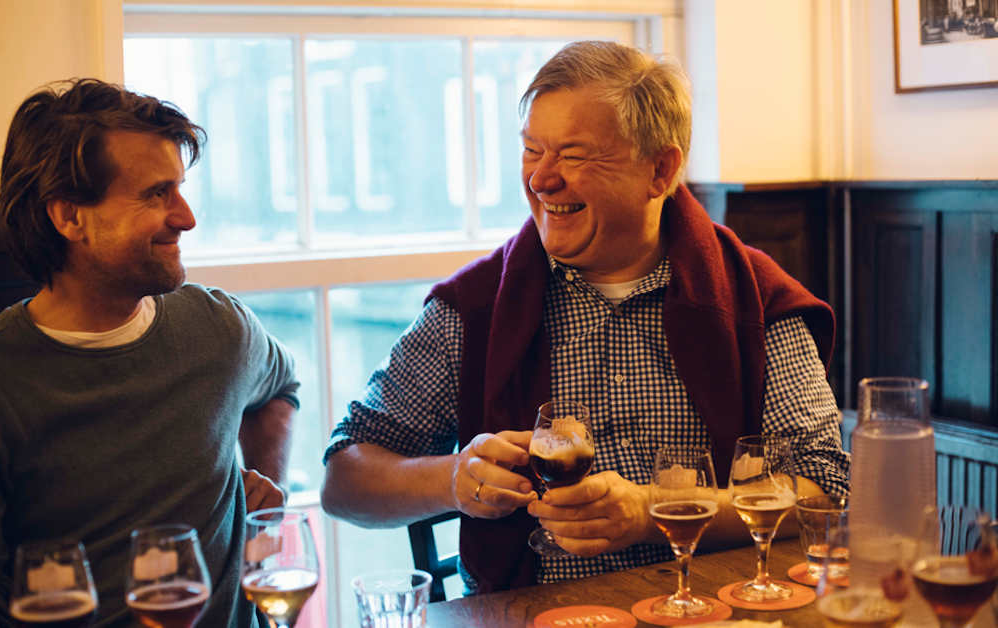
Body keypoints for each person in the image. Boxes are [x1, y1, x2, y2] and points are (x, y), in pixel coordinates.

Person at [321, 41, 849, 594]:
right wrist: (452, 478)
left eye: (573, 155)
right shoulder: (473, 308)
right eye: (531, 150)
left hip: (716, 610)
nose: (541, 179)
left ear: (660, 170)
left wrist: (653, 511)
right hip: (528, 613)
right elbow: (343, 478)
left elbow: (827, 488)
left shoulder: (755, 298)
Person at [0, 79, 300, 628]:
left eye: (179, 189)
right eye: (157, 194)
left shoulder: (219, 328)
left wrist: (259, 483)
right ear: (69, 217)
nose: (186, 217)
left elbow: (280, 387)